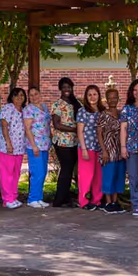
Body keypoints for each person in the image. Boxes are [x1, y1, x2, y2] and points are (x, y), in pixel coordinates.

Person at [51, 77, 81, 208]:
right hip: (62, 142)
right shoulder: (57, 104)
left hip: (74, 142)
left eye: (69, 87)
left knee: (69, 171)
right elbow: (57, 125)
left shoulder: (76, 102)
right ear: (60, 89)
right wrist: (74, 129)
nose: (67, 89)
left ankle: (66, 197)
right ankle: (59, 200)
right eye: (64, 87)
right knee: (66, 170)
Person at [120, 79, 138, 217]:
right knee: (133, 177)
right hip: (132, 147)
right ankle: (136, 205)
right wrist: (123, 147)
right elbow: (123, 128)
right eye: (135, 90)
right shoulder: (127, 109)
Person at [96, 88, 126, 214]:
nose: (112, 100)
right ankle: (108, 203)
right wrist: (104, 151)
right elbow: (99, 134)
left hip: (120, 151)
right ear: (106, 100)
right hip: (108, 151)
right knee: (108, 176)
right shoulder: (103, 115)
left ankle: (115, 202)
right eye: (110, 98)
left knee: (118, 177)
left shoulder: (122, 114)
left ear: (118, 98)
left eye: (115, 97)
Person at [76, 85, 105, 210]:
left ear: (99, 95)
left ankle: (96, 200)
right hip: (87, 147)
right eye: (89, 95)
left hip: (100, 148)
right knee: (86, 176)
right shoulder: (83, 111)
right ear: (86, 97)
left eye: (94, 94)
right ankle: (83, 201)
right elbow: (80, 131)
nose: (92, 97)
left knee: (99, 176)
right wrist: (83, 149)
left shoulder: (102, 111)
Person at [0, 88, 27, 209]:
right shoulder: (8, 108)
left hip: (19, 147)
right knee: (7, 174)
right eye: (16, 95)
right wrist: (8, 143)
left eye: (21, 95)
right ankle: (7, 199)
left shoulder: (24, 110)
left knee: (16, 173)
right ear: (11, 97)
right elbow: (4, 126)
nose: (19, 98)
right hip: (7, 147)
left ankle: (13, 197)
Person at [23, 86, 51, 208]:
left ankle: (39, 197)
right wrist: (34, 146)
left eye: (36, 94)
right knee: (37, 172)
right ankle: (32, 199)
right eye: (31, 95)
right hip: (35, 145)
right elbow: (27, 129)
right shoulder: (28, 109)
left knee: (43, 172)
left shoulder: (44, 107)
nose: (34, 97)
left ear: (40, 94)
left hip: (45, 144)